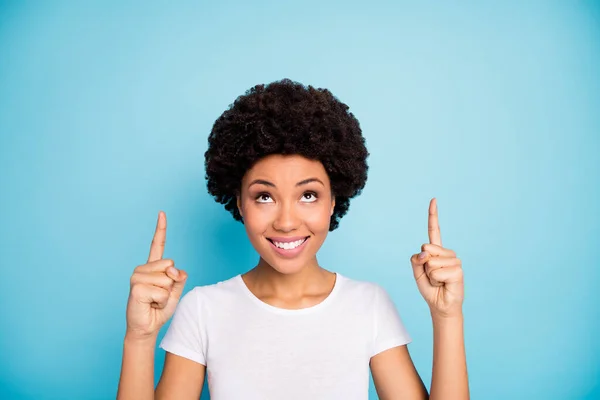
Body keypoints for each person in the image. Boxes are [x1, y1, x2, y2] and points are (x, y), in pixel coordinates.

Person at [117, 79, 469, 399]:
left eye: (309, 195)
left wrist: (447, 316)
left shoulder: (368, 305)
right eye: (264, 197)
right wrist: (140, 339)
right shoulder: (203, 310)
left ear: (334, 200)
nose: (286, 222)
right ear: (239, 202)